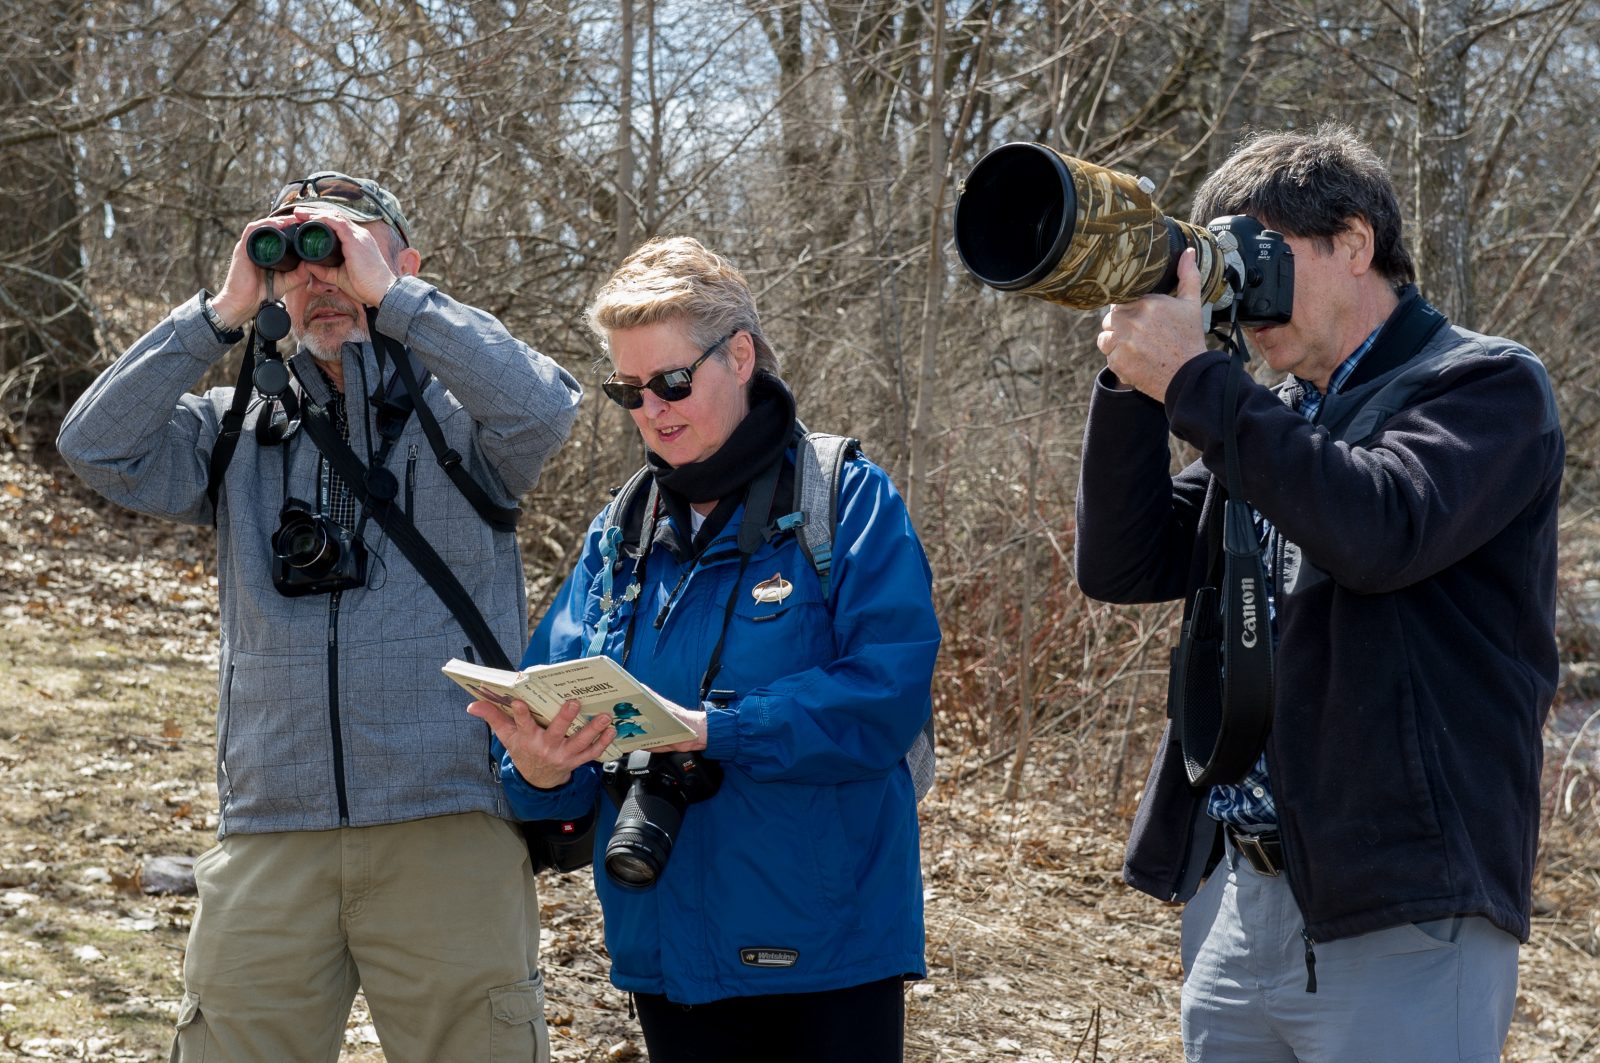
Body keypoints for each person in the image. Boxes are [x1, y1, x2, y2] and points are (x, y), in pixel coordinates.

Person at [57, 171, 582, 1061]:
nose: (319, 276)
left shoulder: (464, 425)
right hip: (272, 830)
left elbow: (547, 405)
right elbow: (95, 445)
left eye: (345, 251)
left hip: (446, 820)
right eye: (296, 259)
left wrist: (396, 298)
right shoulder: (233, 432)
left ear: (401, 265)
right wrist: (219, 310)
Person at [1076, 124, 1563, 1061]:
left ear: (1353, 242)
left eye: (1261, 255)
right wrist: (1138, 379)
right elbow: (1124, 562)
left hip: (1404, 906)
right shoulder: (1278, 423)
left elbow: (1376, 529)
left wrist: (1200, 383)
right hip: (1242, 903)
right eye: (1228, 264)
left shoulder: (1485, 387)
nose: (1247, 292)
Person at [469, 236, 939, 1062]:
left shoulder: (846, 497)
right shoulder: (622, 531)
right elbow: (555, 708)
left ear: (741, 356)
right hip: (668, 947)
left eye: (674, 380)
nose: (653, 408)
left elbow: (886, 694)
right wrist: (537, 769)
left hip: (826, 952)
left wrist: (715, 730)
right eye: (630, 390)